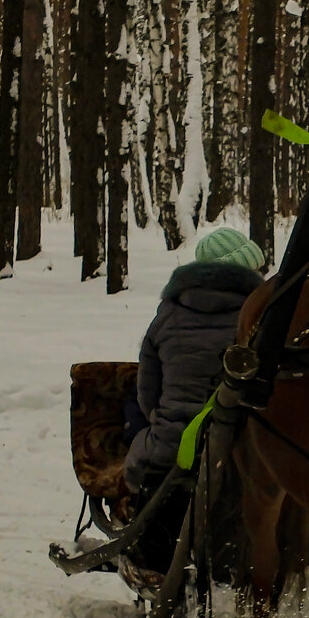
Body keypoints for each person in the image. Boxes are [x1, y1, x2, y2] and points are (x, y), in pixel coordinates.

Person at [120, 227, 266, 587]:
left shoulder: (168, 314)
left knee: (148, 444)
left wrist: (165, 421)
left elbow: (147, 394)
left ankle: (152, 563)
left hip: (174, 444)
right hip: (248, 448)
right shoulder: (264, 317)